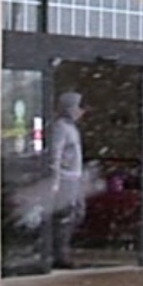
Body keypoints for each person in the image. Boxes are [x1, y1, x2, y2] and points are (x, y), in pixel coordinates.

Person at [50, 91, 85, 269]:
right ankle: (60, 254)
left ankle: (62, 250)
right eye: (78, 107)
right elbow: (55, 154)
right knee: (65, 217)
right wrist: (55, 181)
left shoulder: (72, 128)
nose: (81, 111)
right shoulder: (60, 128)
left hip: (74, 178)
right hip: (65, 179)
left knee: (77, 214)